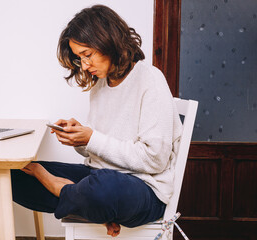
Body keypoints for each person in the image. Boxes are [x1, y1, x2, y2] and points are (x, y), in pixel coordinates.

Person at [11, 4, 183, 237]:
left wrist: (91, 138)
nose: (84, 65)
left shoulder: (150, 79)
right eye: (79, 58)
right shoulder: (100, 85)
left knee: (104, 188)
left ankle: (69, 192)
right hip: (100, 178)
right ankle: (95, 209)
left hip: (144, 189)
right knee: (12, 176)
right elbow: (99, 152)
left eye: (87, 55)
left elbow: (154, 160)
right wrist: (79, 138)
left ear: (108, 42)